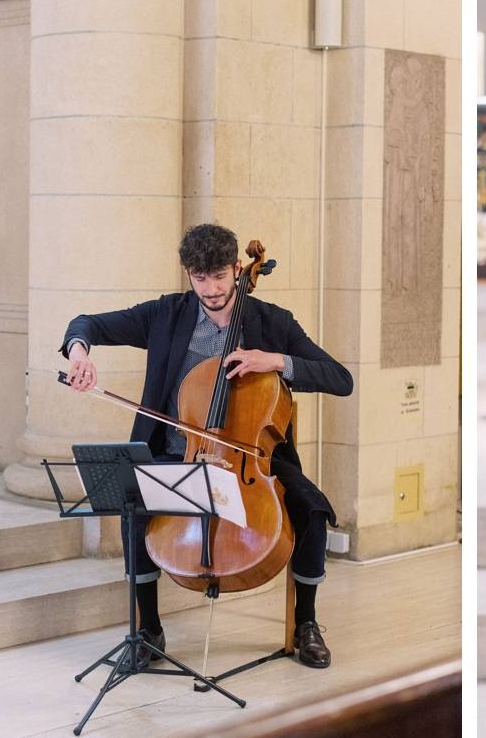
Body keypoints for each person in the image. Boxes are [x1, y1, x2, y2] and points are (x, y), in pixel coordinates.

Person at [60, 223, 353, 670]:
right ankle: (147, 630)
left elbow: (341, 379)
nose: (212, 289)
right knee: (132, 504)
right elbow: (88, 324)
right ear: (188, 274)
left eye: (220, 277)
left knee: (311, 509)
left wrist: (273, 361)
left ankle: (306, 624)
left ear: (239, 268)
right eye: (201, 279)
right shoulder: (167, 315)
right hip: (177, 450)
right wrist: (79, 352)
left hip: (252, 458)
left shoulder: (273, 322)